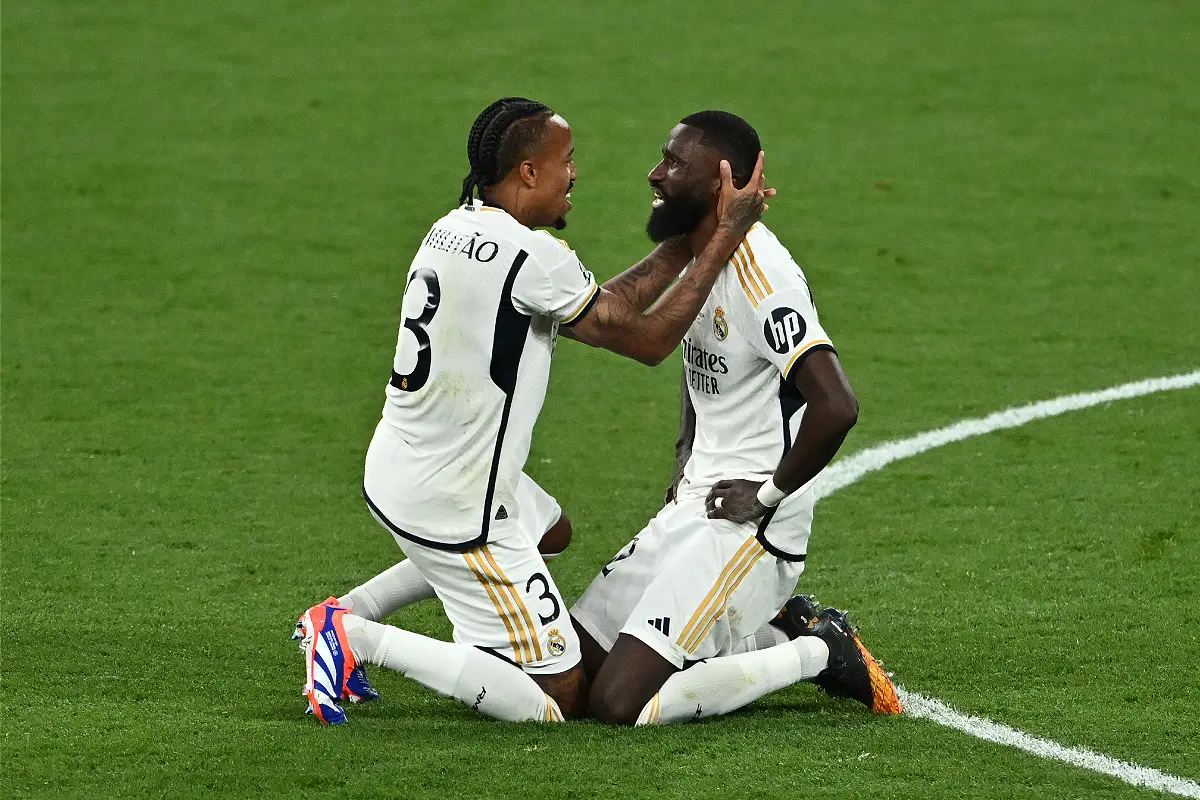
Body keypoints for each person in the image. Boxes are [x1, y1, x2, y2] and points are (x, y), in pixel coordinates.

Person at [295, 97, 771, 725]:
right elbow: (647, 339)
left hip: (400, 466)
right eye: (565, 161)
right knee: (561, 699)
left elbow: (605, 303)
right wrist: (724, 237)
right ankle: (350, 636)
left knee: (550, 531)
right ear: (527, 172)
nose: (575, 174)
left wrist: (685, 242)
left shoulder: (454, 228)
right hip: (460, 503)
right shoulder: (531, 257)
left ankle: (355, 606)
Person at [569, 110, 903, 725]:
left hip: (746, 527)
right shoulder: (701, 258)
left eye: (674, 163)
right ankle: (751, 632)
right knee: (574, 670)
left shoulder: (760, 276)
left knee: (619, 704)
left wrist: (768, 497)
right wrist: (683, 460)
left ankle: (814, 651)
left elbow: (837, 406)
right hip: (696, 504)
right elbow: (697, 366)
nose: (655, 173)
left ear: (723, 179)